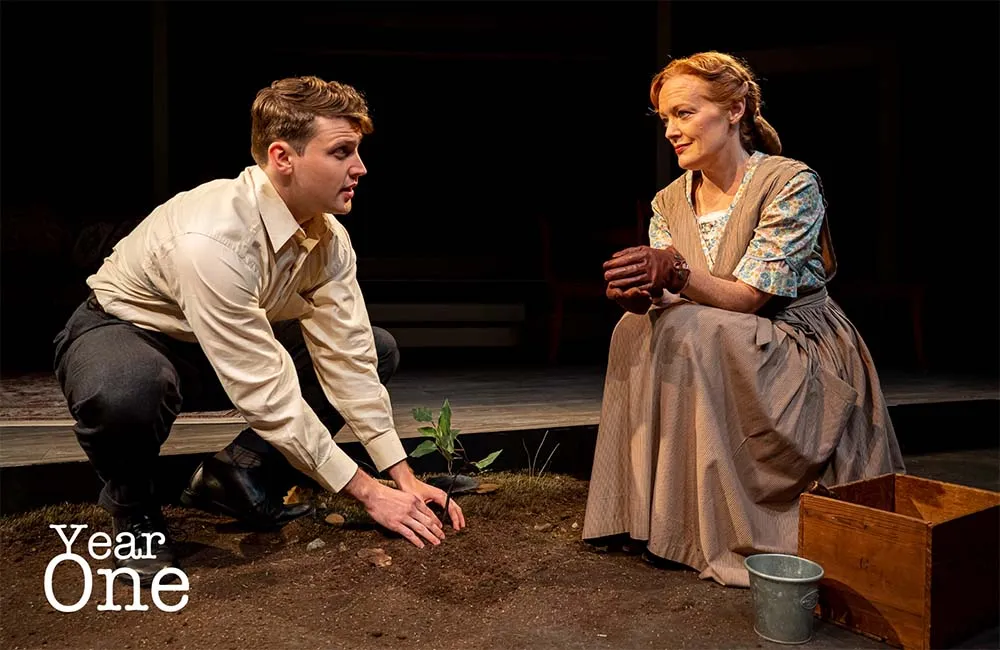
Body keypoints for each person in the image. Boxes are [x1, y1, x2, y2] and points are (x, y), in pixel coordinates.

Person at [53, 75, 465, 584]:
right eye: (342, 152)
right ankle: (133, 511)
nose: (360, 168)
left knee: (376, 349)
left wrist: (399, 474)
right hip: (128, 331)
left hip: (217, 346)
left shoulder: (328, 237)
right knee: (129, 389)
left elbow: (349, 354)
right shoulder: (212, 239)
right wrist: (366, 492)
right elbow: (265, 389)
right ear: (282, 157)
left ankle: (238, 475)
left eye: (357, 152)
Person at [582, 52, 905, 587]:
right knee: (638, 328)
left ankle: (731, 521)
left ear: (735, 110)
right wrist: (641, 297)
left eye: (684, 114)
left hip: (793, 345)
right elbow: (673, 302)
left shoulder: (789, 183)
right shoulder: (669, 201)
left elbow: (751, 298)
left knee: (694, 326)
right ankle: (654, 520)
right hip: (715, 339)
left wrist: (676, 274)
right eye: (664, 119)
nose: (671, 131)